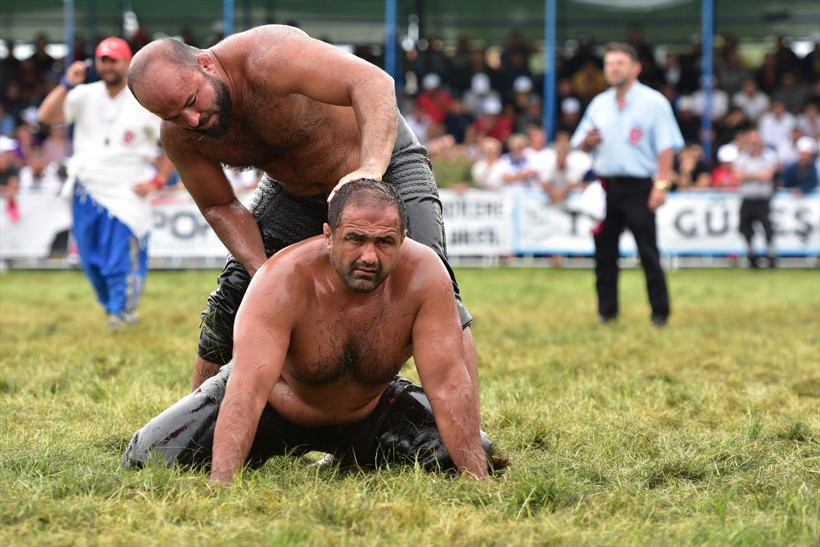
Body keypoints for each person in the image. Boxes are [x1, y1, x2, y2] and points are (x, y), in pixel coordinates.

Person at [126, 25, 480, 397]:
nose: (192, 120)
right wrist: (263, 273)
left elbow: (373, 82)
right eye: (173, 115)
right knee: (236, 296)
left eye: (191, 101)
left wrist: (371, 168)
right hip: (292, 190)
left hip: (383, 161)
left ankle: (467, 438)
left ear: (205, 64)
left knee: (435, 286)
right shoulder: (181, 134)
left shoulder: (269, 57)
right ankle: (198, 436)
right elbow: (219, 204)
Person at [123, 181, 501, 483]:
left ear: (402, 239)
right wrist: (221, 484)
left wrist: (478, 484)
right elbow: (246, 390)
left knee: (471, 453)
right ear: (329, 235)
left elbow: (449, 383)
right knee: (146, 458)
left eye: (384, 242)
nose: (369, 256)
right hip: (275, 410)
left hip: (366, 413)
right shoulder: (282, 278)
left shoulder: (425, 274)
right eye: (355, 239)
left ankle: (352, 457)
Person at [37, 37, 174, 329]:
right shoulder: (82, 94)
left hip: (128, 191)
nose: (108, 65)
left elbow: (174, 141)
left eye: (114, 60)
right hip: (87, 189)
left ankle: (121, 312)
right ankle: (112, 308)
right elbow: (45, 116)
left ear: (127, 63)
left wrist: (159, 180)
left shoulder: (144, 99)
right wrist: (66, 83)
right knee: (91, 261)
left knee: (119, 258)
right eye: (103, 59)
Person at [571, 42, 684, 326]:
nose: (613, 68)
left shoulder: (653, 102)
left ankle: (660, 313)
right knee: (604, 254)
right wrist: (589, 142)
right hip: (607, 186)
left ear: (636, 68)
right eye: (609, 64)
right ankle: (607, 313)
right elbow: (580, 143)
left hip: (640, 187)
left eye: (619, 63)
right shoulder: (599, 103)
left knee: (648, 251)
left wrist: (661, 185)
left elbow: (667, 147)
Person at [735, 129, 780, 268]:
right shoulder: (742, 157)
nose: (754, 145)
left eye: (756, 142)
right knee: (744, 227)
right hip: (748, 199)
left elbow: (768, 176)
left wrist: (749, 175)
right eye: (752, 142)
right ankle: (751, 255)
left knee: (768, 228)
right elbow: (738, 176)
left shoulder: (769, 156)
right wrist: (758, 175)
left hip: (763, 199)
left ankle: (771, 255)